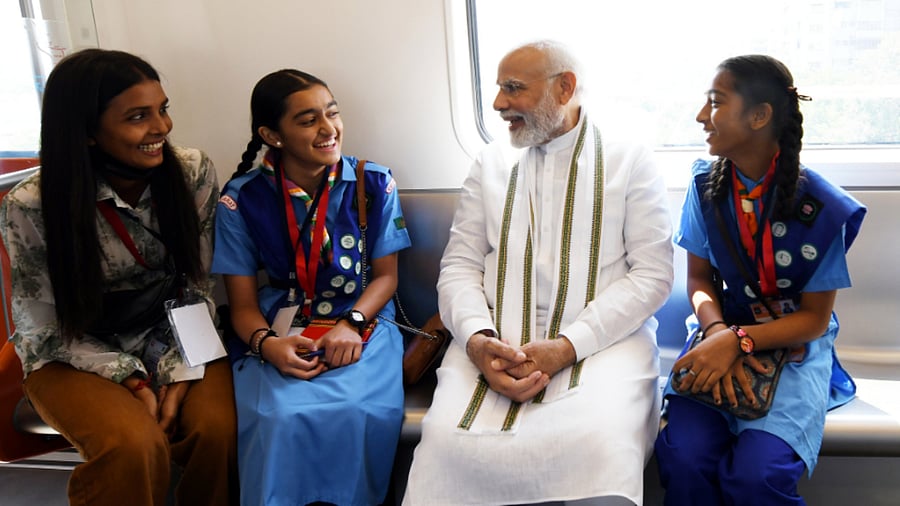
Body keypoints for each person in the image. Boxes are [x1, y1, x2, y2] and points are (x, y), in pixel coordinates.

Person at [403, 40, 674, 506]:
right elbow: (459, 267)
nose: (498, 104)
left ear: (564, 88)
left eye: (513, 88)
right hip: (494, 342)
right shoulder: (490, 161)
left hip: (603, 343)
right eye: (498, 89)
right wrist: (476, 339)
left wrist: (567, 347)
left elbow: (652, 275)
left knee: (599, 444)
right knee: (449, 446)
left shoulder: (630, 158)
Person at [0, 49, 238, 506]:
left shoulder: (191, 172)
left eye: (163, 109)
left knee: (219, 432)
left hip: (172, 333)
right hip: (72, 349)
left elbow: (199, 288)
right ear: (88, 132)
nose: (162, 128)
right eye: (138, 116)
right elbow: (41, 328)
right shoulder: (30, 204)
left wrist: (179, 372)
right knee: (131, 444)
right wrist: (130, 378)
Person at [654, 55, 866, 506]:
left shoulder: (821, 209)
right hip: (720, 329)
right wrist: (716, 333)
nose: (700, 116)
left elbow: (812, 319)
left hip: (792, 345)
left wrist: (741, 342)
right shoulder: (704, 187)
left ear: (759, 116)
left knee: (756, 477)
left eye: (715, 102)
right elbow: (697, 279)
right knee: (684, 459)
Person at [212, 69, 412, 506]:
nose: (329, 129)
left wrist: (351, 323)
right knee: (277, 415)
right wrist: (268, 346)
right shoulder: (240, 200)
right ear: (272, 134)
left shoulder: (373, 183)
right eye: (308, 120)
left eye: (333, 114)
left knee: (361, 411)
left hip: (364, 316)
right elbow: (241, 305)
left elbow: (385, 277)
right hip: (278, 323)